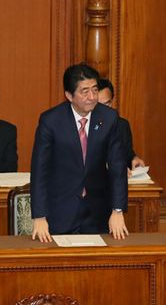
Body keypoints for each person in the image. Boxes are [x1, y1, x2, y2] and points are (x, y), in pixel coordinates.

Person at [30, 63, 128, 243]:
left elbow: (117, 167)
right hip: (60, 210)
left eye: (95, 90)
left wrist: (117, 210)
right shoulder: (51, 121)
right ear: (69, 95)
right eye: (84, 91)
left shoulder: (108, 118)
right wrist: (39, 216)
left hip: (98, 212)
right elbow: (39, 171)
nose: (92, 97)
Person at [98, 78, 145, 171]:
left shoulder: (122, 125)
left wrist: (134, 159)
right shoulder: (83, 127)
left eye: (107, 104)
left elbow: (128, 154)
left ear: (112, 102)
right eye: (98, 105)